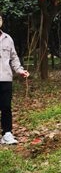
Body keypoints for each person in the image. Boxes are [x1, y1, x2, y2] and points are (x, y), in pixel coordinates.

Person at [0, 14, 30, 145]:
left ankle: (7, 133)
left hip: (5, 78)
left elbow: (14, 58)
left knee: (6, 106)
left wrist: (20, 70)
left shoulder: (8, 39)